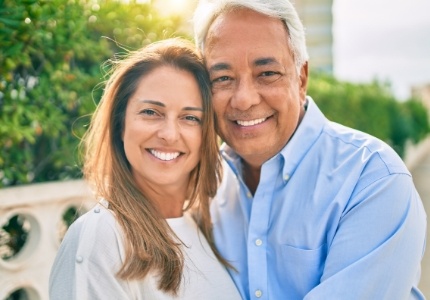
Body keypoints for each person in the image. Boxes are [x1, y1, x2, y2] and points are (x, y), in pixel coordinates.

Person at [193, 0, 427, 299]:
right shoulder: (201, 188)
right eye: (222, 78)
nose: (244, 99)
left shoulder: (373, 179)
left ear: (301, 78)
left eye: (267, 73)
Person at [49, 38, 241, 300]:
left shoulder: (205, 229)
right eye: (151, 112)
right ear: (120, 124)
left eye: (190, 117)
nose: (170, 134)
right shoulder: (101, 236)